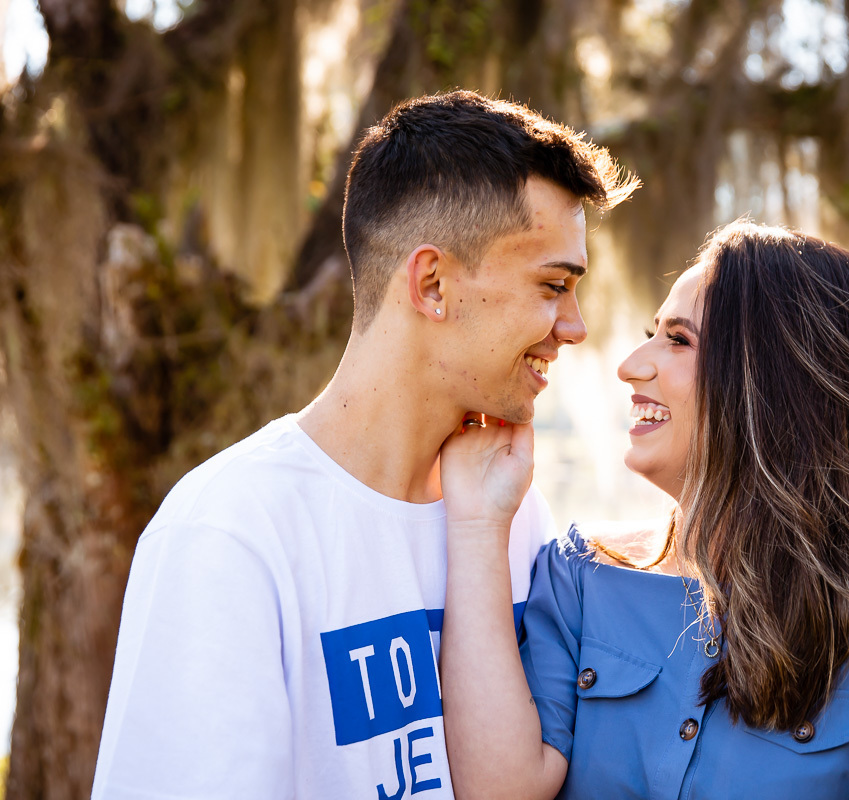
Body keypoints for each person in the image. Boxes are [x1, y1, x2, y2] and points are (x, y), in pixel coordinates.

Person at [91, 90, 636, 799]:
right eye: (553, 286)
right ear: (432, 284)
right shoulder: (230, 533)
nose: (575, 327)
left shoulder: (511, 513)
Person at [438, 221, 849, 799]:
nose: (632, 365)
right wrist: (476, 522)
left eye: (678, 340)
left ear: (776, 383)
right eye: (651, 335)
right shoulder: (580, 576)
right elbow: (499, 790)